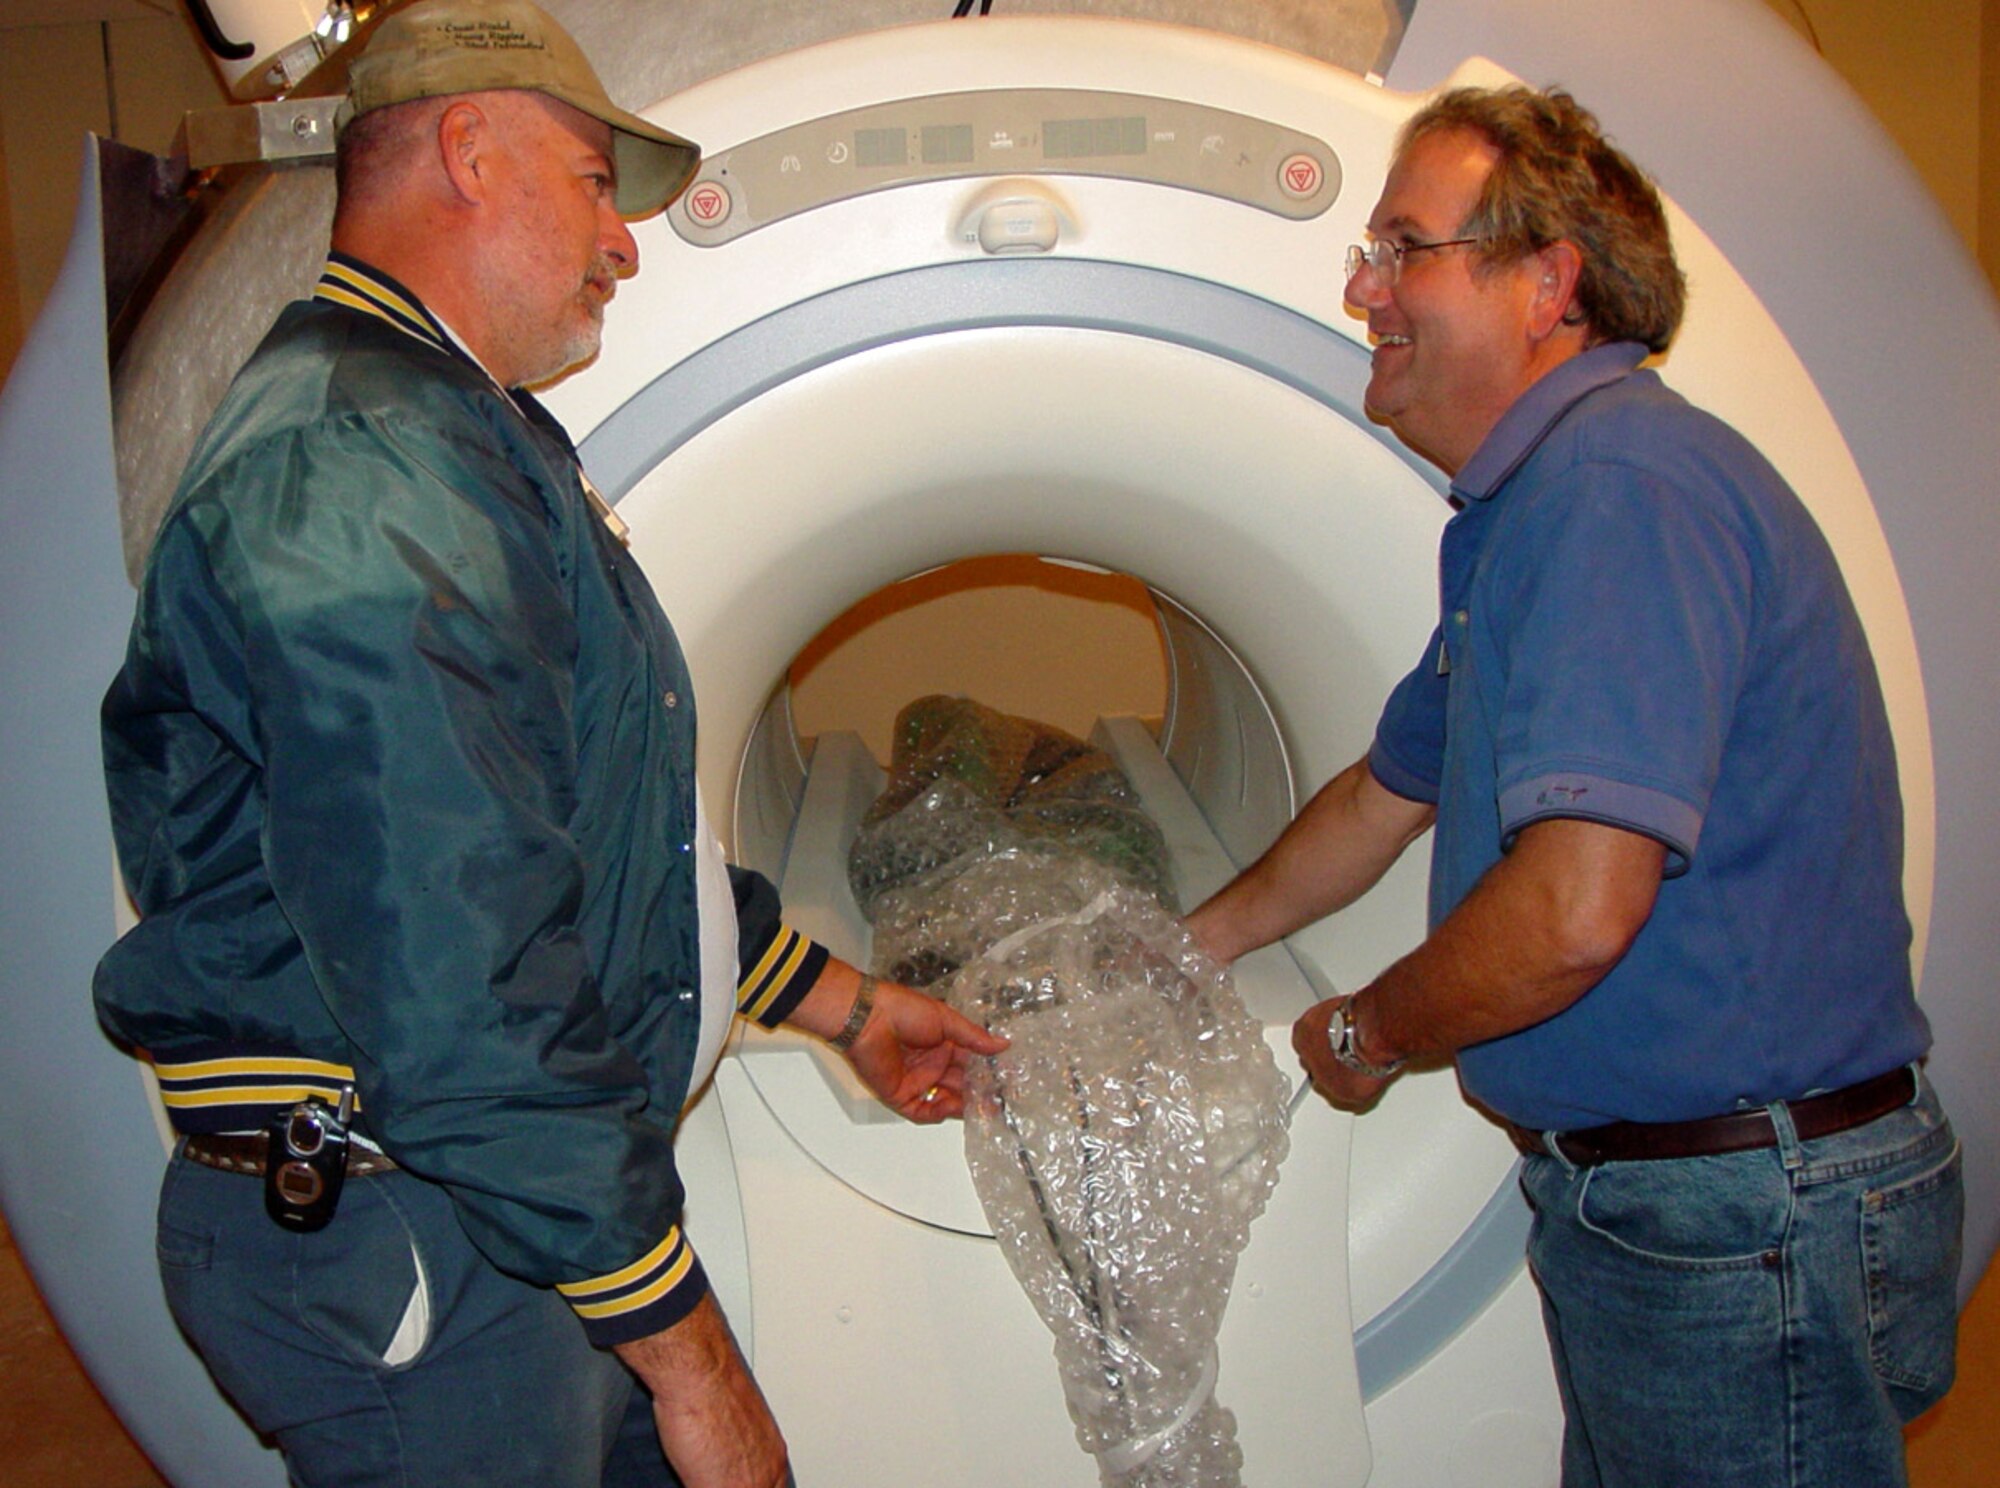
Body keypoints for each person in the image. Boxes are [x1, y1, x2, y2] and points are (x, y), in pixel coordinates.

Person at [92, 4, 1004, 1486]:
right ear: (468, 149)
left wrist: (842, 1003)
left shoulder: (467, 434)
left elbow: (580, 845)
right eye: (595, 182)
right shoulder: (363, 468)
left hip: (501, 1212)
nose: (626, 241)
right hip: (420, 1227)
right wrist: (692, 1357)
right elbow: (458, 973)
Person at [1186, 85, 1963, 1488]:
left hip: (1741, 1215)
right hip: (1691, 1202)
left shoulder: (1619, 492)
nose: (1362, 287)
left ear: (1547, 283)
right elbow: (1382, 794)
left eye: (1401, 249)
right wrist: (1192, 946)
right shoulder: (1524, 518)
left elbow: (1570, 915)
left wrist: (1362, 1036)